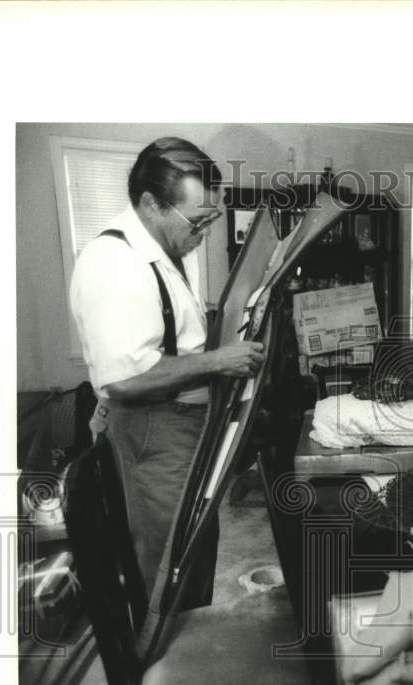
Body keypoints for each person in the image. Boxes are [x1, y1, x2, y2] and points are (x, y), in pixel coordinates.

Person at [69, 137, 264, 611]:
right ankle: (167, 666)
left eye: (211, 216)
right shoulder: (115, 263)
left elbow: (175, 333)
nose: (204, 229)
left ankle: (185, 644)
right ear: (151, 204)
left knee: (194, 546)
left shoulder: (171, 248)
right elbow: (124, 378)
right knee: (168, 562)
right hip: (156, 434)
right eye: (196, 219)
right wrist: (218, 361)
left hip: (183, 427)